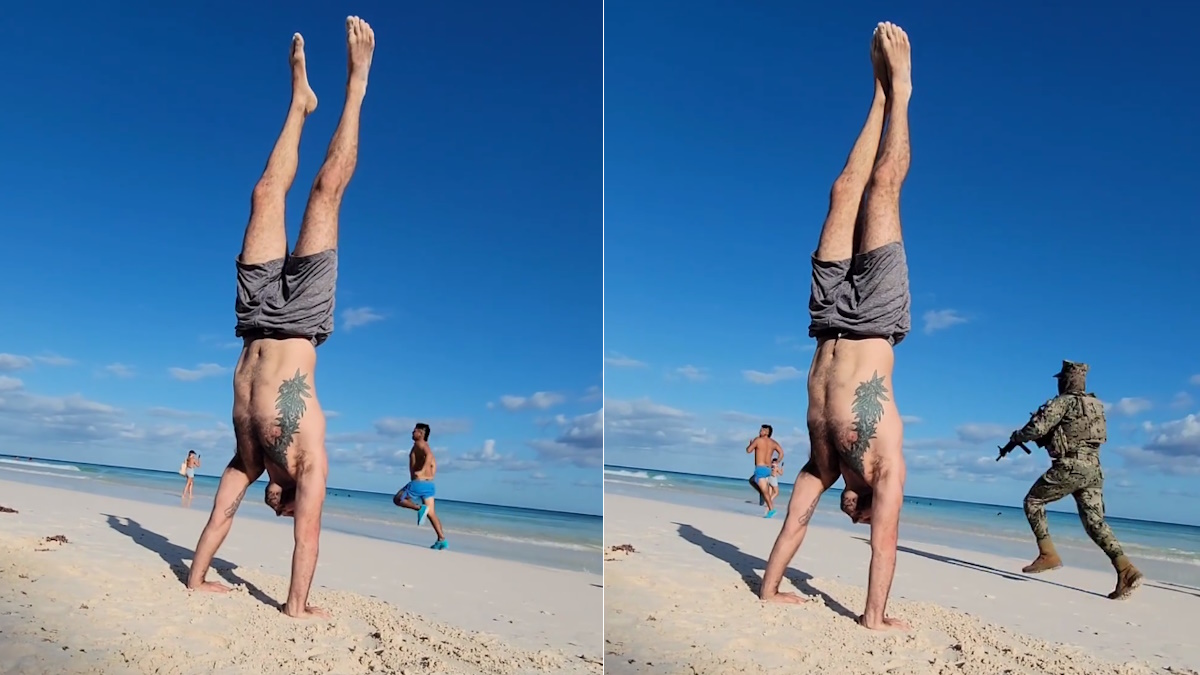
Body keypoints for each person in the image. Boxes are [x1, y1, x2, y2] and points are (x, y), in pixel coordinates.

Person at [186, 17, 376, 620]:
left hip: (252, 315)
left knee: (270, 194)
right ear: (294, 499)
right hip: (300, 318)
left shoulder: (247, 462)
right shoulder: (308, 465)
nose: (277, 509)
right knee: (320, 192)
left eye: (275, 508)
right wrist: (297, 607)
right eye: (283, 508)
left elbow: (220, 515)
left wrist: (196, 579)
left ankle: (328, 94)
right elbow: (310, 538)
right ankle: (331, 93)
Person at [758, 22, 913, 632]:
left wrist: (770, 589)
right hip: (875, 316)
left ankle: (884, 92)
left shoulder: (821, 466)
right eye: (858, 515)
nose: (852, 515)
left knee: (847, 187)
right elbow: (887, 543)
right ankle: (894, 93)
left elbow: (796, 521)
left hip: (825, 322)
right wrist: (876, 618)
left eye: (850, 515)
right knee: (880, 190)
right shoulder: (886, 470)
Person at [998, 360, 1144, 600]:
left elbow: (1037, 428)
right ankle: (1126, 569)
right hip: (1094, 469)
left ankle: (1048, 554)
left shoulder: (1064, 402)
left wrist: (1018, 436)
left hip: (1071, 466)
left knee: (1032, 501)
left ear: (1065, 381)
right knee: (1095, 523)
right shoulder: (1096, 405)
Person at [393, 423, 448, 549]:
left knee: (397, 499)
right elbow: (433, 463)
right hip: (429, 485)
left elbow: (429, 456)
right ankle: (441, 539)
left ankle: (419, 508)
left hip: (418, 482)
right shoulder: (424, 446)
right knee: (431, 513)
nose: (412, 433)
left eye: (414, 431)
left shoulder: (420, 444)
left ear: (421, 433)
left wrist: (422, 472)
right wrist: (429, 474)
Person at [746, 425, 784, 517]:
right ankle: (770, 509)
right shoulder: (773, 443)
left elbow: (748, 450)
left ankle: (771, 510)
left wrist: (750, 445)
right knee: (758, 485)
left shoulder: (758, 440)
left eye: (762, 430)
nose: (760, 432)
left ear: (767, 432)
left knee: (765, 492)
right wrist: (777, 461)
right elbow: (781, 453)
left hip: (760, 468)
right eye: (760, 430)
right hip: (768, 469)